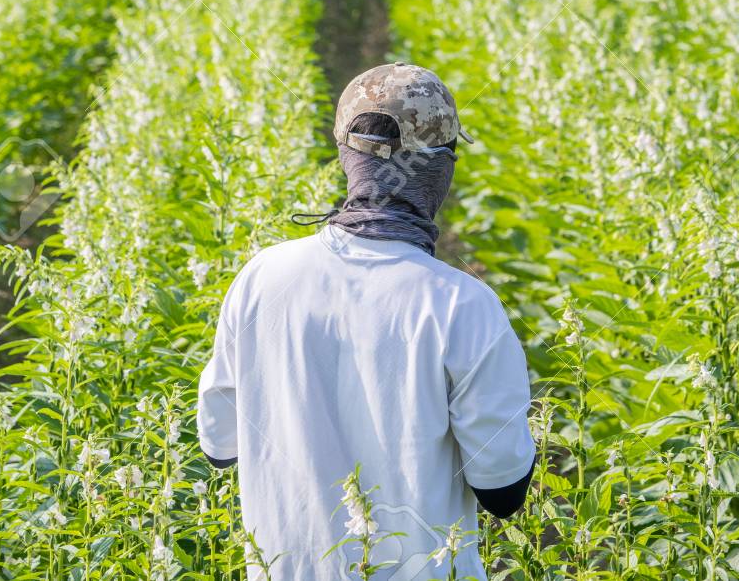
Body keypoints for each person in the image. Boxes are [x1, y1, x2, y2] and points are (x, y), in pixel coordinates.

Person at [197, 62, 536, 581]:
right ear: (441, 169)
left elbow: (219, 446)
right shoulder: (462, 304)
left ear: (347, 157)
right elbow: (502, 490)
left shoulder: (263, 277)